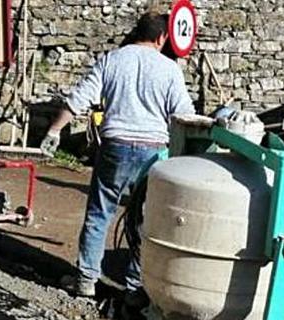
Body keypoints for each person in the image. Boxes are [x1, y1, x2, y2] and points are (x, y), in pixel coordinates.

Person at [41, 12, 195, 298]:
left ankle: (86, 280)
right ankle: (136, 287)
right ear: (162, 38)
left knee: (100, 213)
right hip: (154, 151)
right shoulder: (169, 69)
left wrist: (53, 131)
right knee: (144, 219)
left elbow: (79, 98)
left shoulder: (113, 59)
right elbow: (184, 115)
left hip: (116, 146)